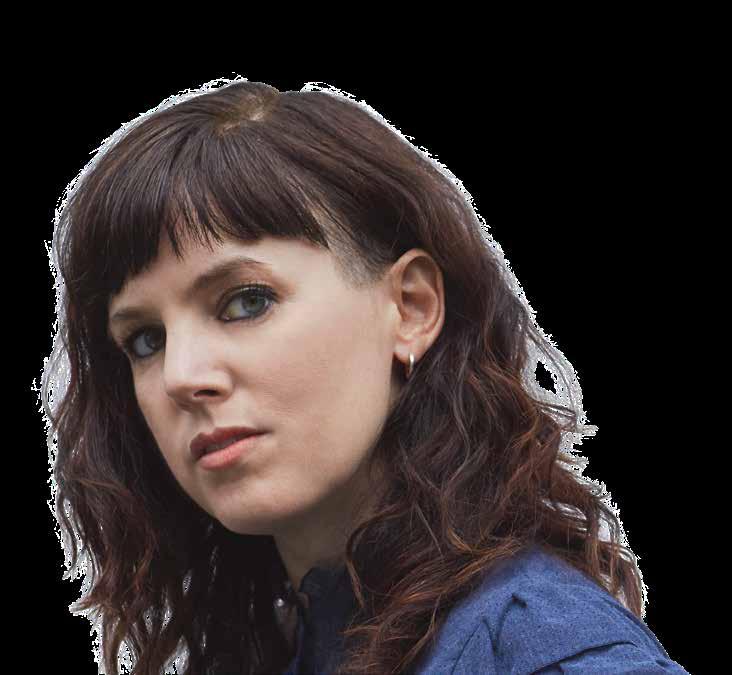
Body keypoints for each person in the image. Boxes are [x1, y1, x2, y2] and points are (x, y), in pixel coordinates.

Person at [41, 77, 689, 674]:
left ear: (410, 307)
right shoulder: (283, 648)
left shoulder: (543, 651)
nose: (181, 375)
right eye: (145, 340)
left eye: (245, 301)